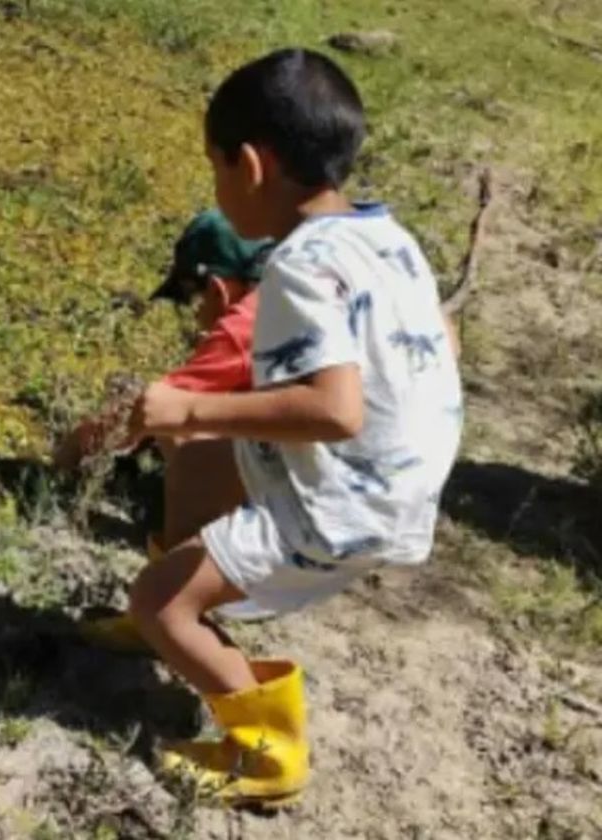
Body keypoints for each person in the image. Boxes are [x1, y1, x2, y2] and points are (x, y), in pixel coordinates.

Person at [123, 48, 462, 807]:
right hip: (399, 487)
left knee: (159, 601)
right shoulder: (387, 237)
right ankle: (178, 606)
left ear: (249, 165)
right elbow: (439, 338)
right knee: (203, 454)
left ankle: (266, 751)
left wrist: (188, 406)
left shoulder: (299, 266)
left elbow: (335, 412)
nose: (217, 185)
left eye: (215, 169)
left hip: (339, 507)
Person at [53, 211, 276, 649]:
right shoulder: (288, 296)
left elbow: (149, 411)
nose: (195, 320)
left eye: (191, 299)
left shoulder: (244, 326)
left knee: (183, 432)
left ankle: (169, 606)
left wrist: (70, 454)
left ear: (216, 287)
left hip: (309, 523)